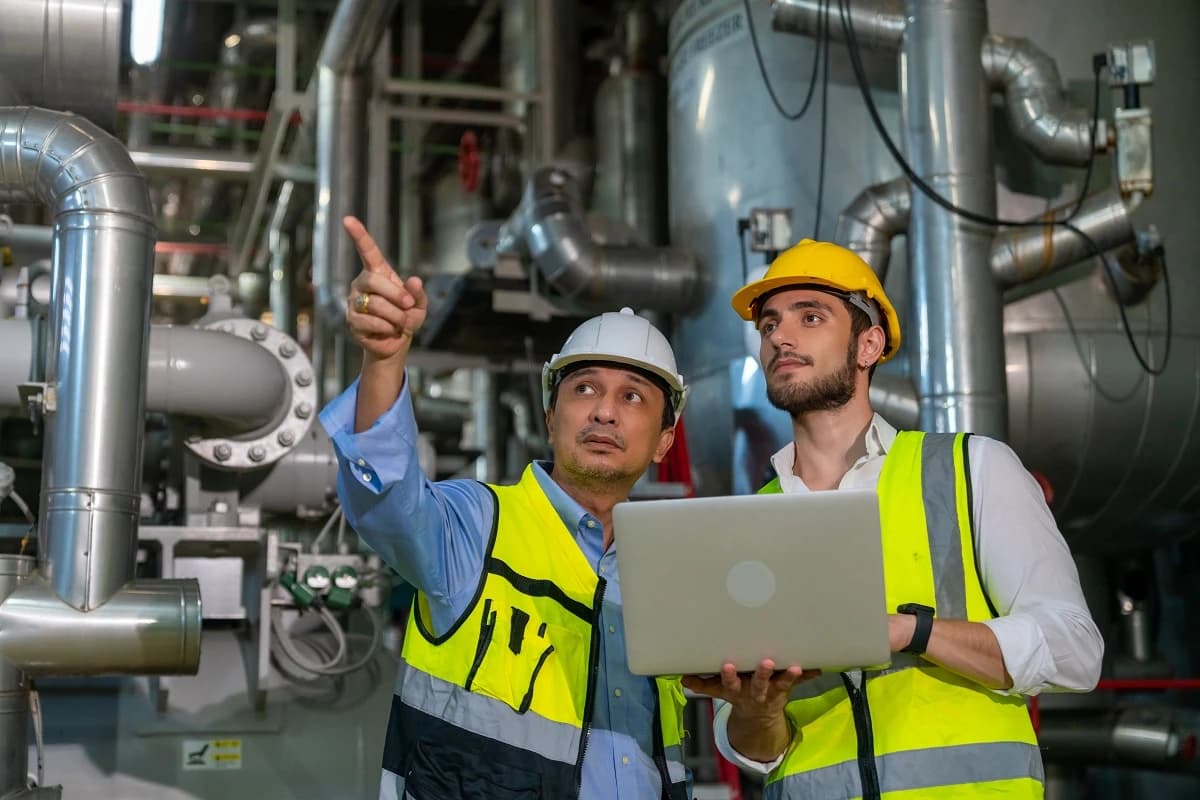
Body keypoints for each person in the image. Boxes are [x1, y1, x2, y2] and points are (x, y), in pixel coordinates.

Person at [682, 239, 1103, 799]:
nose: (780, 337)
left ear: (869, 344)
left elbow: (1074, 651)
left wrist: (911, 631)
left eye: (811, 317)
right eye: (769, 326)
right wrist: (760, 710)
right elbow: (758, 753)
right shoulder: (751, 519)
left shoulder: (970, 469)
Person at [319, 216, 693, 800]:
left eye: (633, 397)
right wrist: (386, 360)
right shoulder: (475, 526)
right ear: (551, 415)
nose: (604, 413)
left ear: (665, 439)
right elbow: (386, 500)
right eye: (585, 389)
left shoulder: (665, 574)